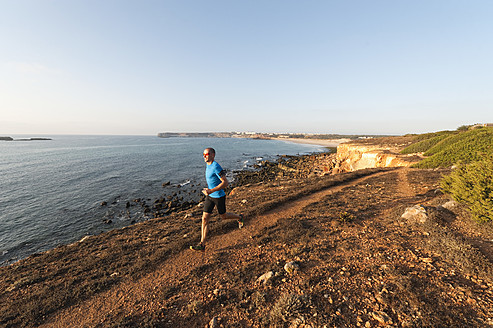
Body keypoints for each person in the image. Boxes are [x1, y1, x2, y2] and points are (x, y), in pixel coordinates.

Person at [190, 148, 244, 251]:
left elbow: (225, 183)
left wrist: (211, 190)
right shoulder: (208, 164)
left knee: (223, 216)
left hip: (219, 196)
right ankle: (202, 245)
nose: (204, 156)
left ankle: (239, 217)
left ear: (213, 155)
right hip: (210, 197)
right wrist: (209, 191)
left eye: (207, 154)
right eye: (203, 154)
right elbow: (213, 180)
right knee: (204, 219)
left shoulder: (216, 166)